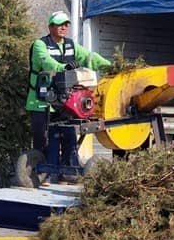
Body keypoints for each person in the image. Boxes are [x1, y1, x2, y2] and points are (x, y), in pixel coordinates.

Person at [25, 10, 112, 177]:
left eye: (66, 24)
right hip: (41, 101)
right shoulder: (40, 44)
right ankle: (42, 173)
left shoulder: (71, 45)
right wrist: (63, 67)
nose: (64, 27)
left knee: (68, 135)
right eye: (59, 24)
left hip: (64, 101)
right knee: (43, 139)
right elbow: (46, 61)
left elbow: (89, 57)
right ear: (50, 26)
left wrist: (109, 66)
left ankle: (68, 171)